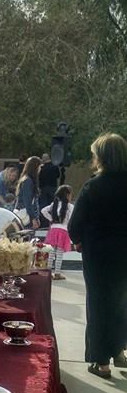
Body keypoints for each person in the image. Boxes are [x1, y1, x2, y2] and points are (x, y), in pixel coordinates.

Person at [68, 132, 127, 379]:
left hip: (99, 253)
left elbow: (75, 225)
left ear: (101, 157)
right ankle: (119, 350)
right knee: (120, 302)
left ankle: (101, 361)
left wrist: (78, 241)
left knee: (98, 303)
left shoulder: (94, 186)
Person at [41, 185, 73, 280]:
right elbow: (71, 218)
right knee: (59, 254)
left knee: (51, 253)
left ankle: (49, 273)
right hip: (63, 230)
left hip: (53, 230)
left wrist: (52, 219)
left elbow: (43, 211)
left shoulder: (54, 204)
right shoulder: (70, 206)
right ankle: (57, 274)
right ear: (67, 195)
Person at [15, 156, 41, 229]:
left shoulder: (28, 180)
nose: (40, 169)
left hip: (27, 214)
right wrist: (33, 218)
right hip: (25, 215)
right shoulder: (28, 181)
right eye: (39, 166)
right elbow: (28, 202)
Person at [39, 152, 61, 222]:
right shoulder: (54, 166)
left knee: (43, 205)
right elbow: (58, 175)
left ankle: (44, 220)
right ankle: (53, 219)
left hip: (43, 188)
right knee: (53, 204)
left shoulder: (41, 168)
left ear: (43, 159)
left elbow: (39, 178)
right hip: (52, 187)